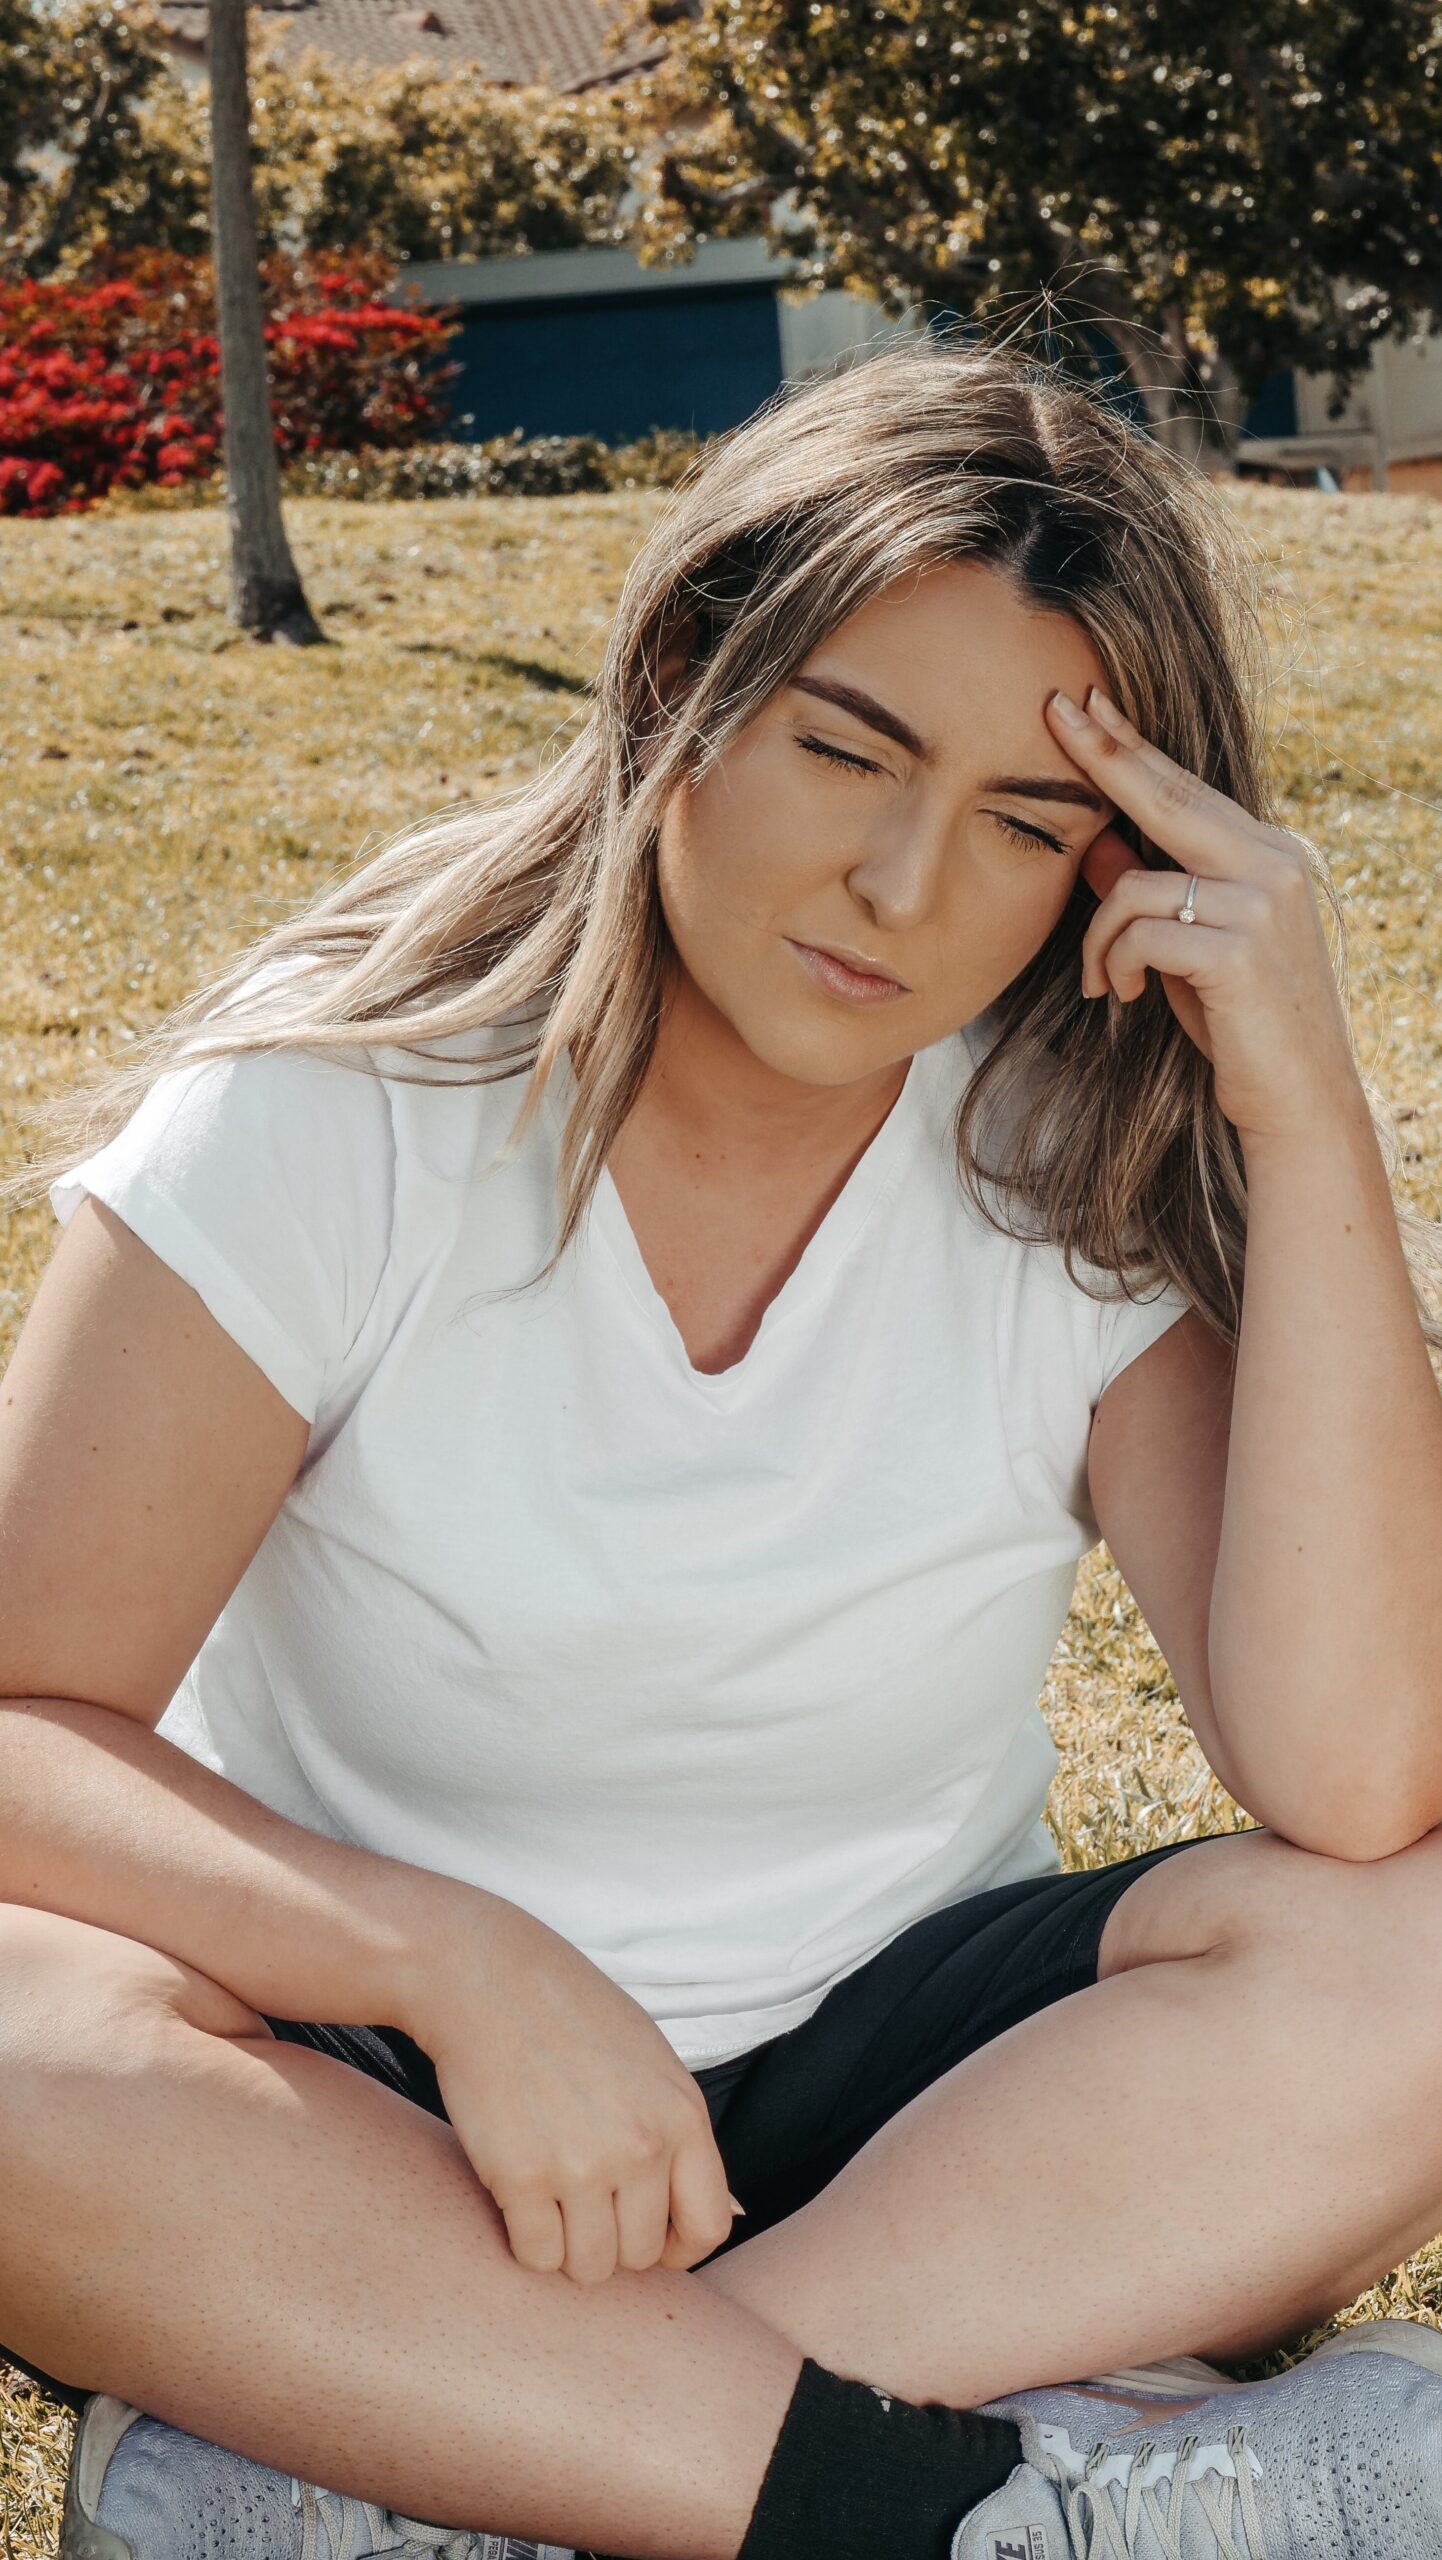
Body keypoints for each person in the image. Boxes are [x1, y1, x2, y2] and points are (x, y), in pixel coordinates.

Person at [1, 335, 1441, 2560]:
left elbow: (1354, 1782)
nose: (901, 884)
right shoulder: (327, 1114)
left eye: (1025, 822)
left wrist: (1303, 1103)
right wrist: (445, 1960)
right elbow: (22, 1725)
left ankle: (435, 2453)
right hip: (377, 2104)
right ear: (683, 675)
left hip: (914, 2131)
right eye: (845, 749)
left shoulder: (1065, 1171)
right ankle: (961, 2508)